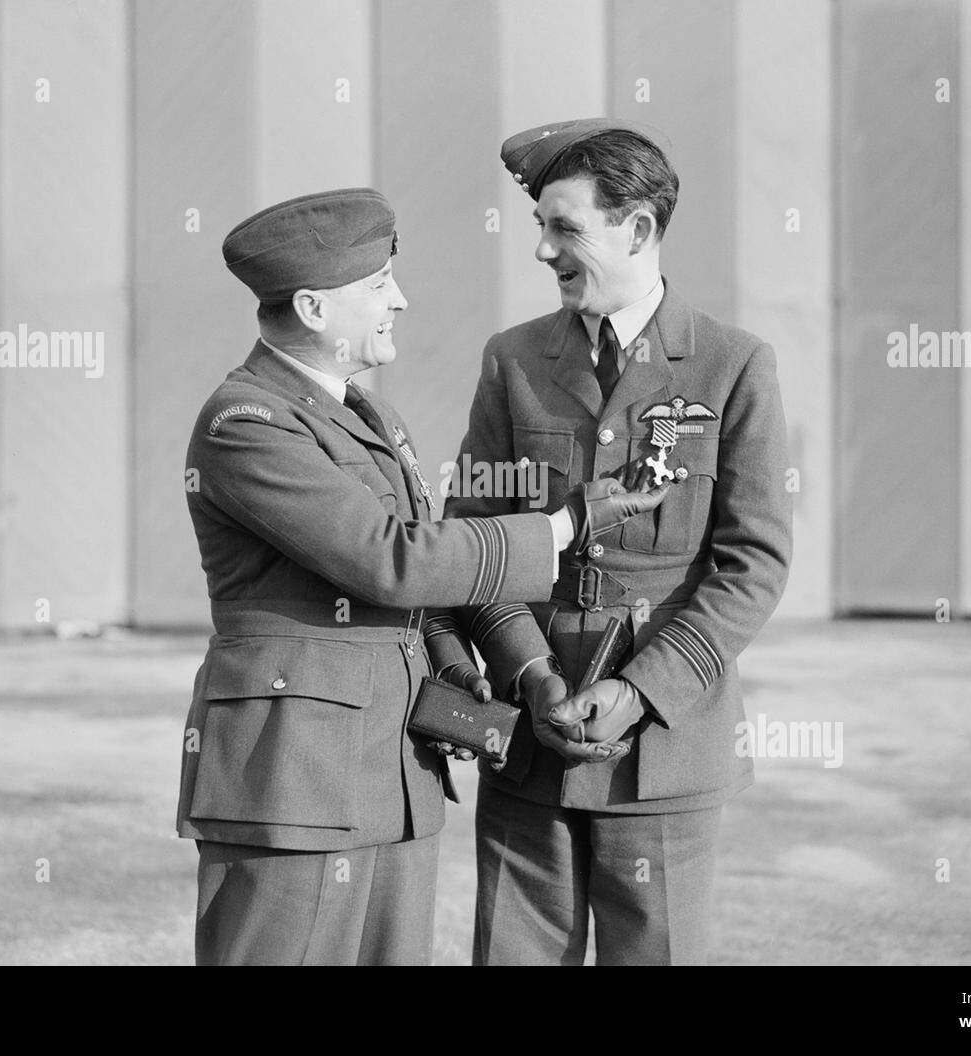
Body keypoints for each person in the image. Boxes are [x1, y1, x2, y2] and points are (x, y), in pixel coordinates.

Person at [176, 186, 665, 965]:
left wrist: (449, 664)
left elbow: (420, 585)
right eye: (376, 286)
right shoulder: (248, 423)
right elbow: (392, 559)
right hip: (292, 784)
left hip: (392, 778)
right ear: (311, 308)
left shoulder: (369, 415)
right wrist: (564, 524)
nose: (398, 301)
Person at [443, 120, 793, 965]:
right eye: (540, 228)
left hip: (663, 749)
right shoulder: (513, 361)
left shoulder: (731, 365)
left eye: (564, 229)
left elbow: (754, 565)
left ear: (637, 229)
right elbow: (474, 541)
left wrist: (639, 691)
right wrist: (529, 674)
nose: (542, 251)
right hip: (531, 735)